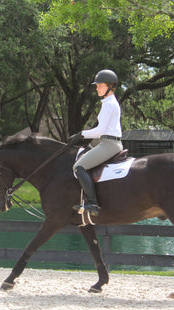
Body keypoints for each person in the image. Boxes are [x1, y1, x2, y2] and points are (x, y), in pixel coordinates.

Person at [69, 69, 123, 216]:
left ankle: (93, 204)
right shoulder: (109, 102)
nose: (97, 88)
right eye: (97, 85)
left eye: (100, 85)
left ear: (110, 86)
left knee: (79, 166)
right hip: (107, 142)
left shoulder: (109, 104)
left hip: (109, 144)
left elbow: (100, 131)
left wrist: (81, 134)